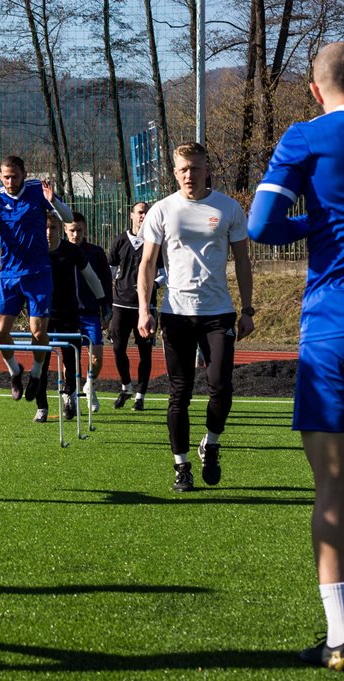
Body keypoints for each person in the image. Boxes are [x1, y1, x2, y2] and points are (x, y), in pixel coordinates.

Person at [247, 41, 344, 670]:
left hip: (334, 325)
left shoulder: (305, 137)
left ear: (314, 89)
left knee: (334, 486)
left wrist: (311, 225)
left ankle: (341, 639)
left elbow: (260, 225)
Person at [136, 142, 254, 493]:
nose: (189, 175)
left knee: (221, 387)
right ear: (175, 172)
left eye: (195, 168)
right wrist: (144, 309)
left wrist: (248, 309)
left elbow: (243, 261)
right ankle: (181, 467)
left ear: (207, 169)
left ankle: (211, 443)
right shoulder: (162, 210)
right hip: (176, 314)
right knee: (180, 393)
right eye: (183, 169)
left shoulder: (228, 208)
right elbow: (147, 264)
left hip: (219, 313)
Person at [0, 156, 74, 401]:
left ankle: (37, 374)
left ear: (24, 174)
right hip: (9, 275)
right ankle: (15, 372)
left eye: (15, 177)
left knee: (38, 332)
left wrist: (53, 200)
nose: (10, 182)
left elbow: (68, 217)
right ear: (0, 176)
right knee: (0, 331)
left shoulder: (37, 191)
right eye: (6, 177)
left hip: (38, 274)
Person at [33, 213, 108, 422]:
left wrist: (103, 302)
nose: (49, 232)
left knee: (71, 358)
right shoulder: (34, 250)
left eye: (53, 228)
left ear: (60, 229)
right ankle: (42, 407)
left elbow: (91, 276)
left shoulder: (72, 251)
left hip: (69, 312)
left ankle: (69, 395)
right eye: (45, 228)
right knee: (41, 361)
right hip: (42, 314)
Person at [108, 202, 166, 411]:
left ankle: (140, 395)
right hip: (120, 304)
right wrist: (111, 289)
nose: (144, 216)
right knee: (117, 348)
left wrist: (154, 285)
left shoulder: (156, 243)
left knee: (145, 353)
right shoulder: (120, 241)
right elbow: (110, 269)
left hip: (146, 308)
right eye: (140, 212)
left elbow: (165, 273)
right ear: (131, 215)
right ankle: (126, 387)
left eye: (147, 213)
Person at [64, 212, 113, 413]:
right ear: (65, 230)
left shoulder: (95, 252)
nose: (75, 234)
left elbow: (105, 282)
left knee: (97, 357)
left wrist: (107, 309)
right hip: (67, 314)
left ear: (85, 230)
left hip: (90, 313)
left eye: (79, 230)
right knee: (69, 359)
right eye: (72, 230)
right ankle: (70, 396)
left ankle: (89, 385)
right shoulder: (58, 251)